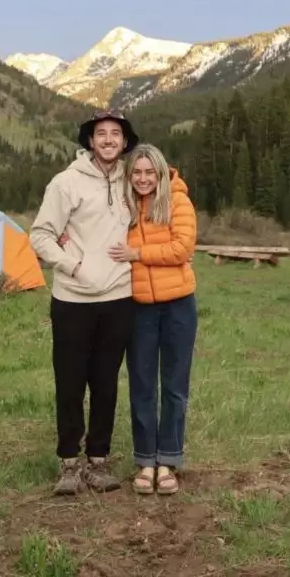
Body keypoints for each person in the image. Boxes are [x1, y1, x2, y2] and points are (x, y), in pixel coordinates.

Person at [29, 109, 138, 495]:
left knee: (106, 384)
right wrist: (73, 265)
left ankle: (98, 461)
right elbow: (41, 234)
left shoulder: (133, 180)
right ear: (90, 141)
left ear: (125, 141)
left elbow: (163, 189)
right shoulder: (66, 182)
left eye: (115, 134)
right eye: (101, 133)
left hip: (119, 298)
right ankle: (69, 464)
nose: (108, 139)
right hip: (72, 300)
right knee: (71, 383)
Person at [108, 143, 197, 495]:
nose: (143, 179)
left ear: (160, 173)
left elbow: (182, 249)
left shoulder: (178, 201)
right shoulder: (123, 206)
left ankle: (168, 461)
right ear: (129, 175)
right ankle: (145, 460)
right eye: (137, 172)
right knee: (143, 385)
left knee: (175, 386)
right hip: (139, 307)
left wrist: (137, 253)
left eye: (149, 172)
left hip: (179, 305)